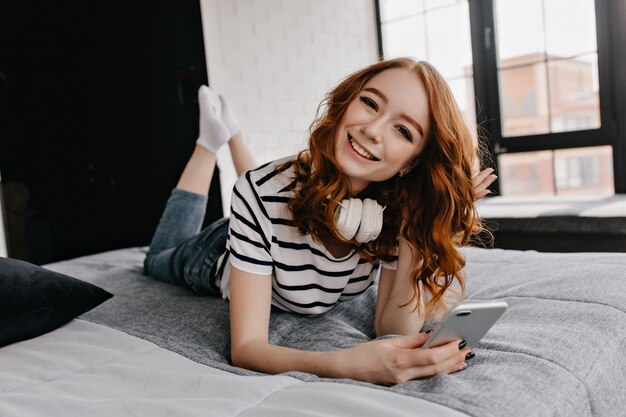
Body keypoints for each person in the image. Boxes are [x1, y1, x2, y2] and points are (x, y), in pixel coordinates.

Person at [144, 57, 497, 385]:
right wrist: (346, 363)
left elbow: (394, 329)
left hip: (264, 220)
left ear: (411, 164)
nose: (373, 129)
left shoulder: (392, 210)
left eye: (403, 131)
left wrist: (424, 224)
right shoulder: (258, 192)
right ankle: (210, 142)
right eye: (370, 103)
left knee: (262, 189)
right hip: (213, 254)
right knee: (156, 257)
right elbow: (247, 348)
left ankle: (232, 132)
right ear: (346, 104)